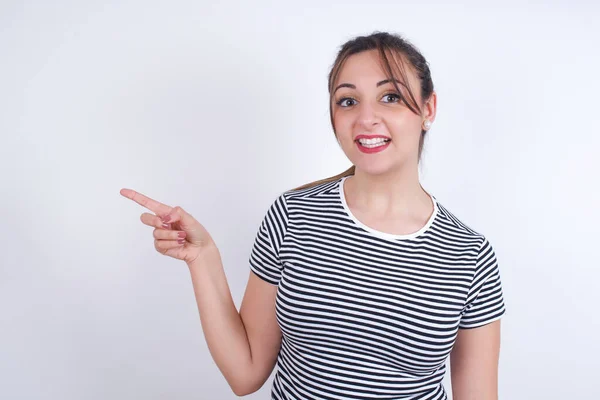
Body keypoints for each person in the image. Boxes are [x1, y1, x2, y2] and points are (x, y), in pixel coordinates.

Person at [120, 31, 506, 400]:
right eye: (348, 101)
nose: (366, 118)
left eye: (390, 97)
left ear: (428, 109)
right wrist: (203, 259)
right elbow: (245, 374)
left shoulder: (470, 256)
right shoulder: (293, 215)